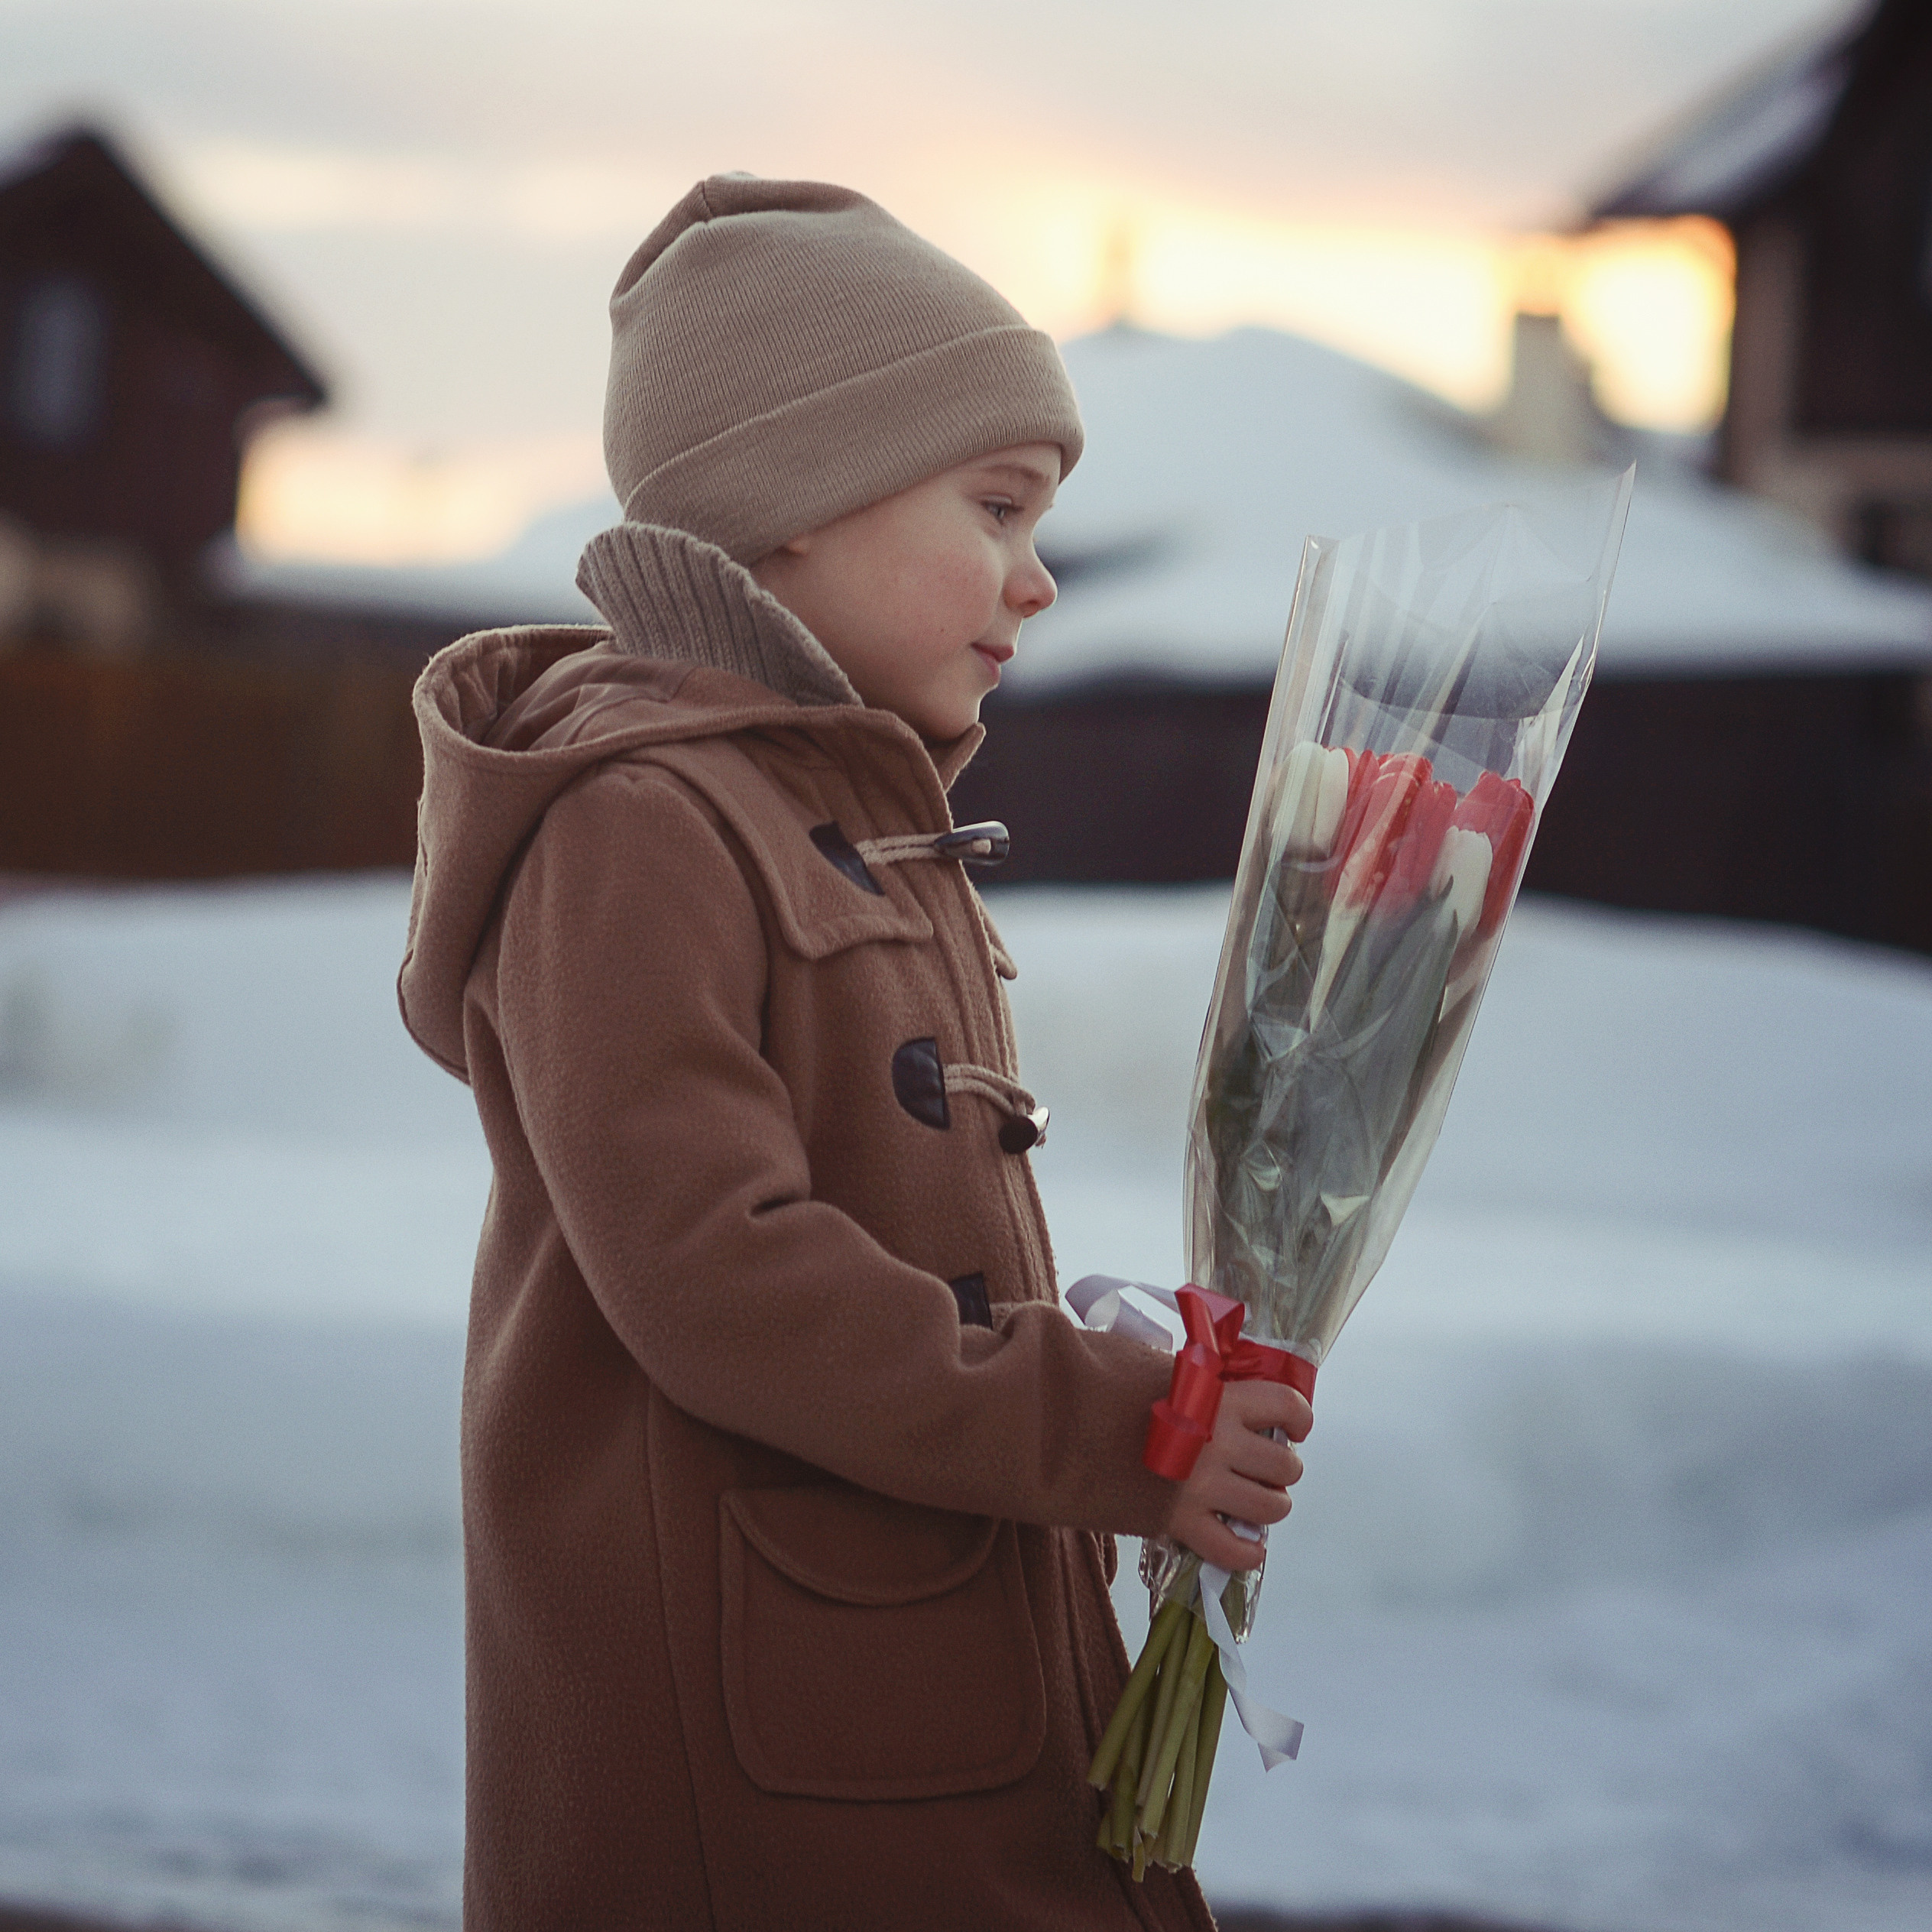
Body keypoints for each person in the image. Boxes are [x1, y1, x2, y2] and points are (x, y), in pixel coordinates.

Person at [398, 173, 1309, 1932]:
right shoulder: (638, 824)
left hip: (919, 1698)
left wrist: (1124, 1363)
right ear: (794, 503)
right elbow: (721, 1275)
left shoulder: (852, 820)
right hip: (770, 1790)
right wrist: (1111, 1428)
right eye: (997, 506)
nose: (1037, 580)